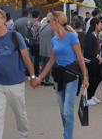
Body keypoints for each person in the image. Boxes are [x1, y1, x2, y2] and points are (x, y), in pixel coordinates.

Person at [34, 11, 89, 139]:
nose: (49, 24)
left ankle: (67, 137)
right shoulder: (54, 40)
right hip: (58, 76)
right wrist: (39, 78)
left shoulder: (71, 37)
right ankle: (67, 134)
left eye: (50, 21)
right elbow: (51, 61)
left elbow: (80, 58)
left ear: (56, 21)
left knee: (68, 111)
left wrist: (85, 77)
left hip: (71, 75)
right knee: (62, 111)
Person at [0, 8, 37, 139]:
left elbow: (26, 58)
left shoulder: (15, 36)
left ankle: (23, 136)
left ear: (4, 20)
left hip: (16, 84)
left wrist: (32, 77)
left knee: (20, 114)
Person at [83, 18, 102, 106]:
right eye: (100, 24)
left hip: (94, 60)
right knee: (94, 78)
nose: (101, 26)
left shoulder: (95, 34)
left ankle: (91, 95)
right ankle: (87, 98)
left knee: (97, 78)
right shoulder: (89, 35)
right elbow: (88, 51)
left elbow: (95, 48)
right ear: (95, 25)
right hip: (90, 61)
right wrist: (98, 56)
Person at [39, 17, 54, 86]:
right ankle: (47, 81)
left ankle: (41, 79)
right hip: (49, 49)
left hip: (42, 49)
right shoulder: (52, 28)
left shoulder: (42, 26)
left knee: (42, 65)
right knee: (48, 65)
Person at [27, 11, 41, 76]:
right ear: (38, 16)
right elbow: (36, 35)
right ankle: (36, 73)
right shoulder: (38, 24)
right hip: (36, 43)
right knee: (36, 59)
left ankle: (29, 71)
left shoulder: (28, 23)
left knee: (30, 57)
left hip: (29, 42)